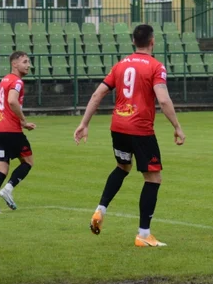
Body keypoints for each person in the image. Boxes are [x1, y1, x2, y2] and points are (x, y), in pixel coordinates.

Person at [74, 24, 186, 247]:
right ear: (152, 41)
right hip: (141, 129)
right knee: (153, 178)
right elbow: (163, 100)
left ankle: (100, 209)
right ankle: (144, 235)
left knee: (123, 167)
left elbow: (98, 93)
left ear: (133, 41)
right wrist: (177, 126)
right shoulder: (155, 66)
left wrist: (84, 123)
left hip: (118, 127)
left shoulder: (120, 65)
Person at [0, 51, 35, 214]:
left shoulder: (4, 80)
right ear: (15, 64)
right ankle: (7, 189)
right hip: (11, 131)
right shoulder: (17, 81)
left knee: (2, 169)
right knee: (28, 162)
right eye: (25, 62)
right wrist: (24, 121)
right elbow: (12, 101)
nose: (29, 65)